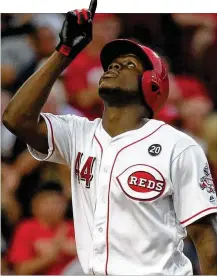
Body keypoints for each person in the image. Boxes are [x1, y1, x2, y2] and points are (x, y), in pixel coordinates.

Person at [3, 1, 217, 275]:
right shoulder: (78, 133)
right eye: (112, 64)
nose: (113, 67)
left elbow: (206, 238)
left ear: (151, 83)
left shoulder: (178, 145)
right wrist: (64, 52)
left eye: (127, 64)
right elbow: (15, 119)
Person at [7, 181, 77, 275]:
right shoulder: (26, 228)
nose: (52, 207)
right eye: (47, 202)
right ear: (35, 204)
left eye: (57, 202)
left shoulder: (76, 227)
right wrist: (50, 257)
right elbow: (21, 270)